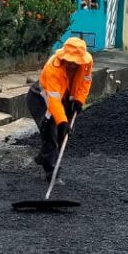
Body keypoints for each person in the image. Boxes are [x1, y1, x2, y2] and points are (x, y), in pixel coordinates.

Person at [25, 37, 94, 178]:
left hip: (64, 98)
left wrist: (79, 100)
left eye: (75, 62)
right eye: (69, 61)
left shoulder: (87, 63)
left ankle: (44, 156)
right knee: (50, 132)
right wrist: (62, 122)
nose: (72, 65)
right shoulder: (53, 68)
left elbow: (86, 82)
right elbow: (54, 101)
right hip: (41, 98)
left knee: (63, 135)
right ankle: (52, 173)